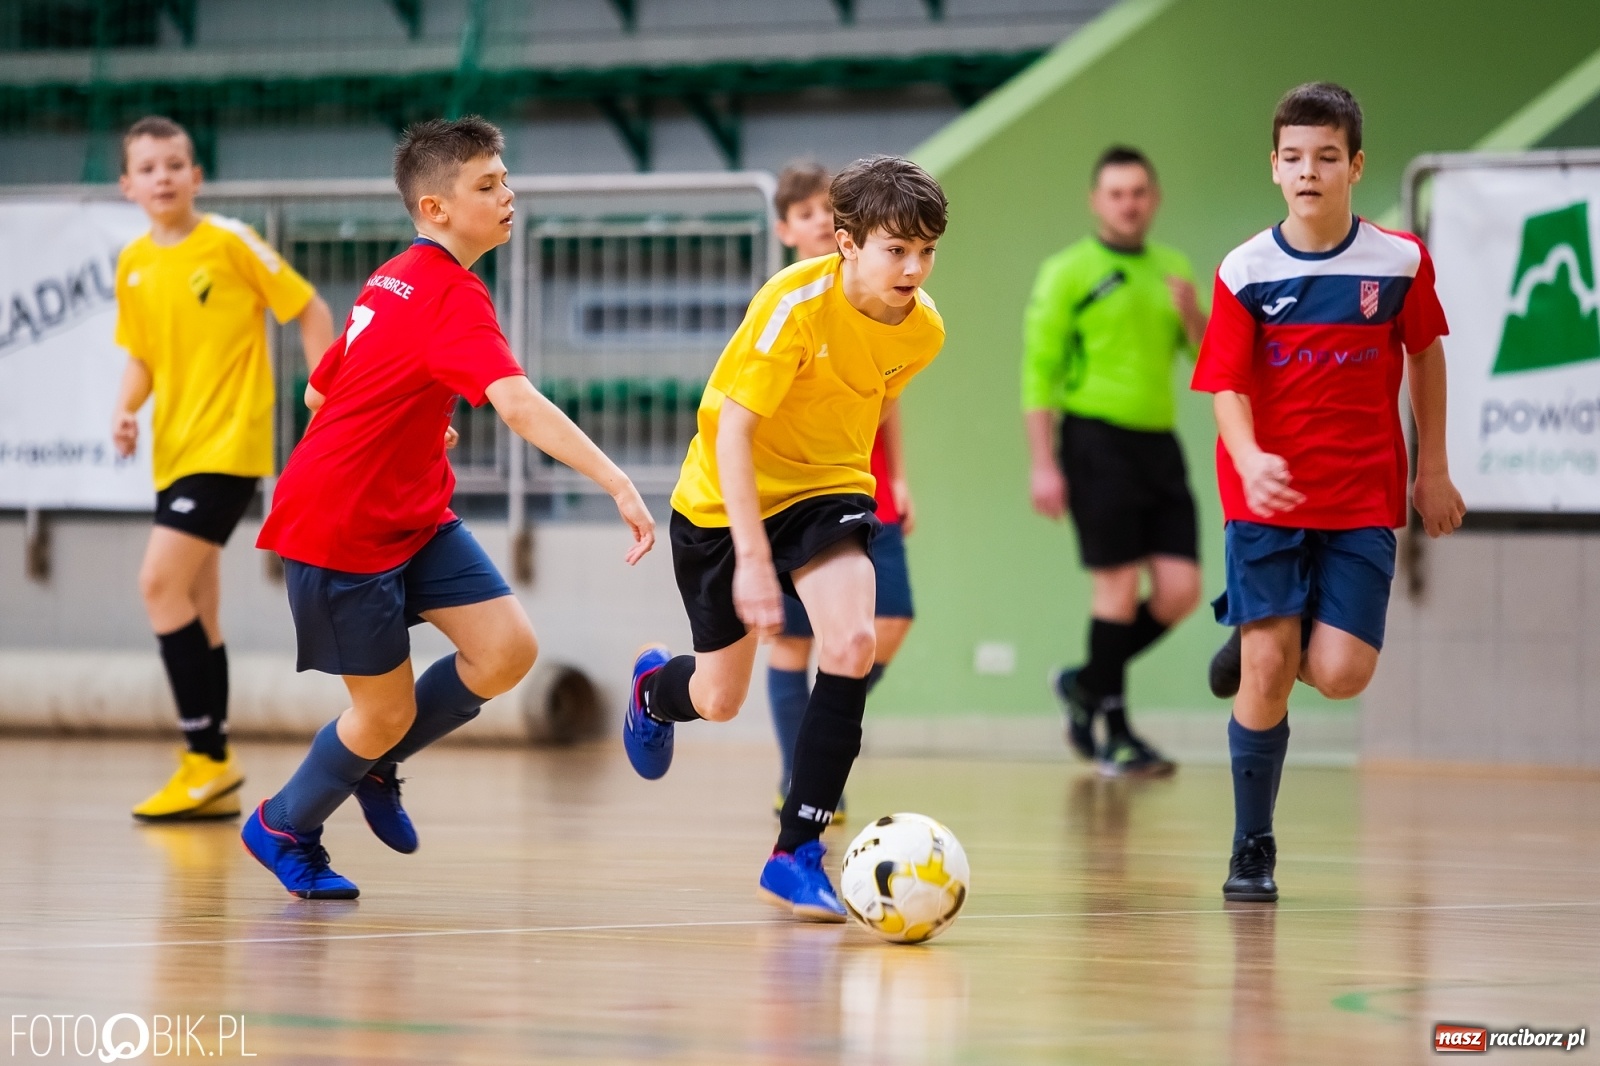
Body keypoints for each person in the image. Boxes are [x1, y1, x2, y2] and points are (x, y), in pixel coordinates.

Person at [241, 116, 655, 899]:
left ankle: (379, 757)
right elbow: (519, 405)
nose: (509, 195)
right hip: (341, 528)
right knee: (381, 712)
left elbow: (319, 389)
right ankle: (283, 825)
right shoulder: (448, 294)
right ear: (435, 208)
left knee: (505, 651)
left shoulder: (393, 274)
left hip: (414, 514)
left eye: (505, 179)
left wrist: (419, 410)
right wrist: (618, 483)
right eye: (488, 184)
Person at [622, 155, 947, 921]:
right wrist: (755, 565)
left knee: (853, 641)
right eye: (895, 249)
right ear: (846, 244)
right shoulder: (791, 304)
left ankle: (795, 850)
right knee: (719, 696)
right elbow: (734, 434)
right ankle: (653, 692)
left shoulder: (923, 331)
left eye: (926, 250)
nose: (913, 268)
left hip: (825, 492)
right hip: (720, 502)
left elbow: (866, 407)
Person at [1191, 83, 1463, 903]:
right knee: (1271, 670)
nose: (1310, 171)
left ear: (1355, 166)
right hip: (1264, 500)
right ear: (1275, 168)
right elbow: (1225, 387)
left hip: (1361, 500)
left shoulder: (1400, 261)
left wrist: (1434, 467)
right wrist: (1248, 457)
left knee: (1342, 672)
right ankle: (1251, 849)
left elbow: (1426, 357)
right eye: (1294, 158)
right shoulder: (1246, 270)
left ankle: (1252, 639)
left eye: (1327, 157)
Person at [112, 115, 335, 823]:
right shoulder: (135, 265)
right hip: (172, 455)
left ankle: (204, 758)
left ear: (196, 176)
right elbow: (142, 356)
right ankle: (213, 765)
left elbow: (309, 307)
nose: (163, 177)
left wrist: (326, 396)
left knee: (156, 583)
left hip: (229, 448)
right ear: (128, 185)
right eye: (148, 168)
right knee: (198, 607)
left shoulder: (230, 242)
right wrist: (124, 409)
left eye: (175, 164)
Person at [1022, 146, 1207, 776]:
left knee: (1181, 590)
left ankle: (1084, 682)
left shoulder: (1174, 268)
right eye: (1116, 193)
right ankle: (1117, 733)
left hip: (1160, 444)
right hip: (1095, 441)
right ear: (1097, 201)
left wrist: (1195, 317)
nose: (1129, 203)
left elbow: (1209, 364)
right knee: (1118, 589)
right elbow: (1038, 374)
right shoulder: (1067, 272)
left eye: (1139, 192)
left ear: (1153, 198)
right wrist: (1043, 463)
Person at [765, 162, 919, 821]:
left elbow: (890, 396)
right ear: (784, 228)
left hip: (865, 479)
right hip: (798, 493)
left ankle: (823, 726)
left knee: (891, 620)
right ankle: (802, 774)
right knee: (792, 642)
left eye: (825, 212)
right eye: (803, 214)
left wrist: (902, 475)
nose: (819, 224)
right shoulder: (782, 303)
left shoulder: (883, 304)